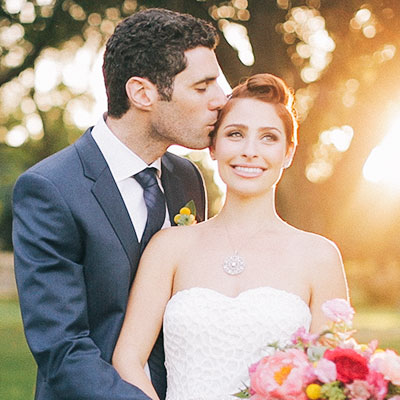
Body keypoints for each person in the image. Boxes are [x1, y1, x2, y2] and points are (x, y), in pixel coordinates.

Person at [12, 8, 226, 400]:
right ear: (142, 93)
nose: (221, 99)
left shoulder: (187, 179)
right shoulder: (49, 189)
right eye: (202, 87)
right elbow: (62, 351)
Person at [112, 73, 349, 399]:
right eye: (235, 134)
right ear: (213, 146)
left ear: (289, 153)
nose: (250, 151)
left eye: (268, 138)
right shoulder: (169, 247)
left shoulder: (320, 257)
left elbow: (331, 379)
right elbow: (128, 358)